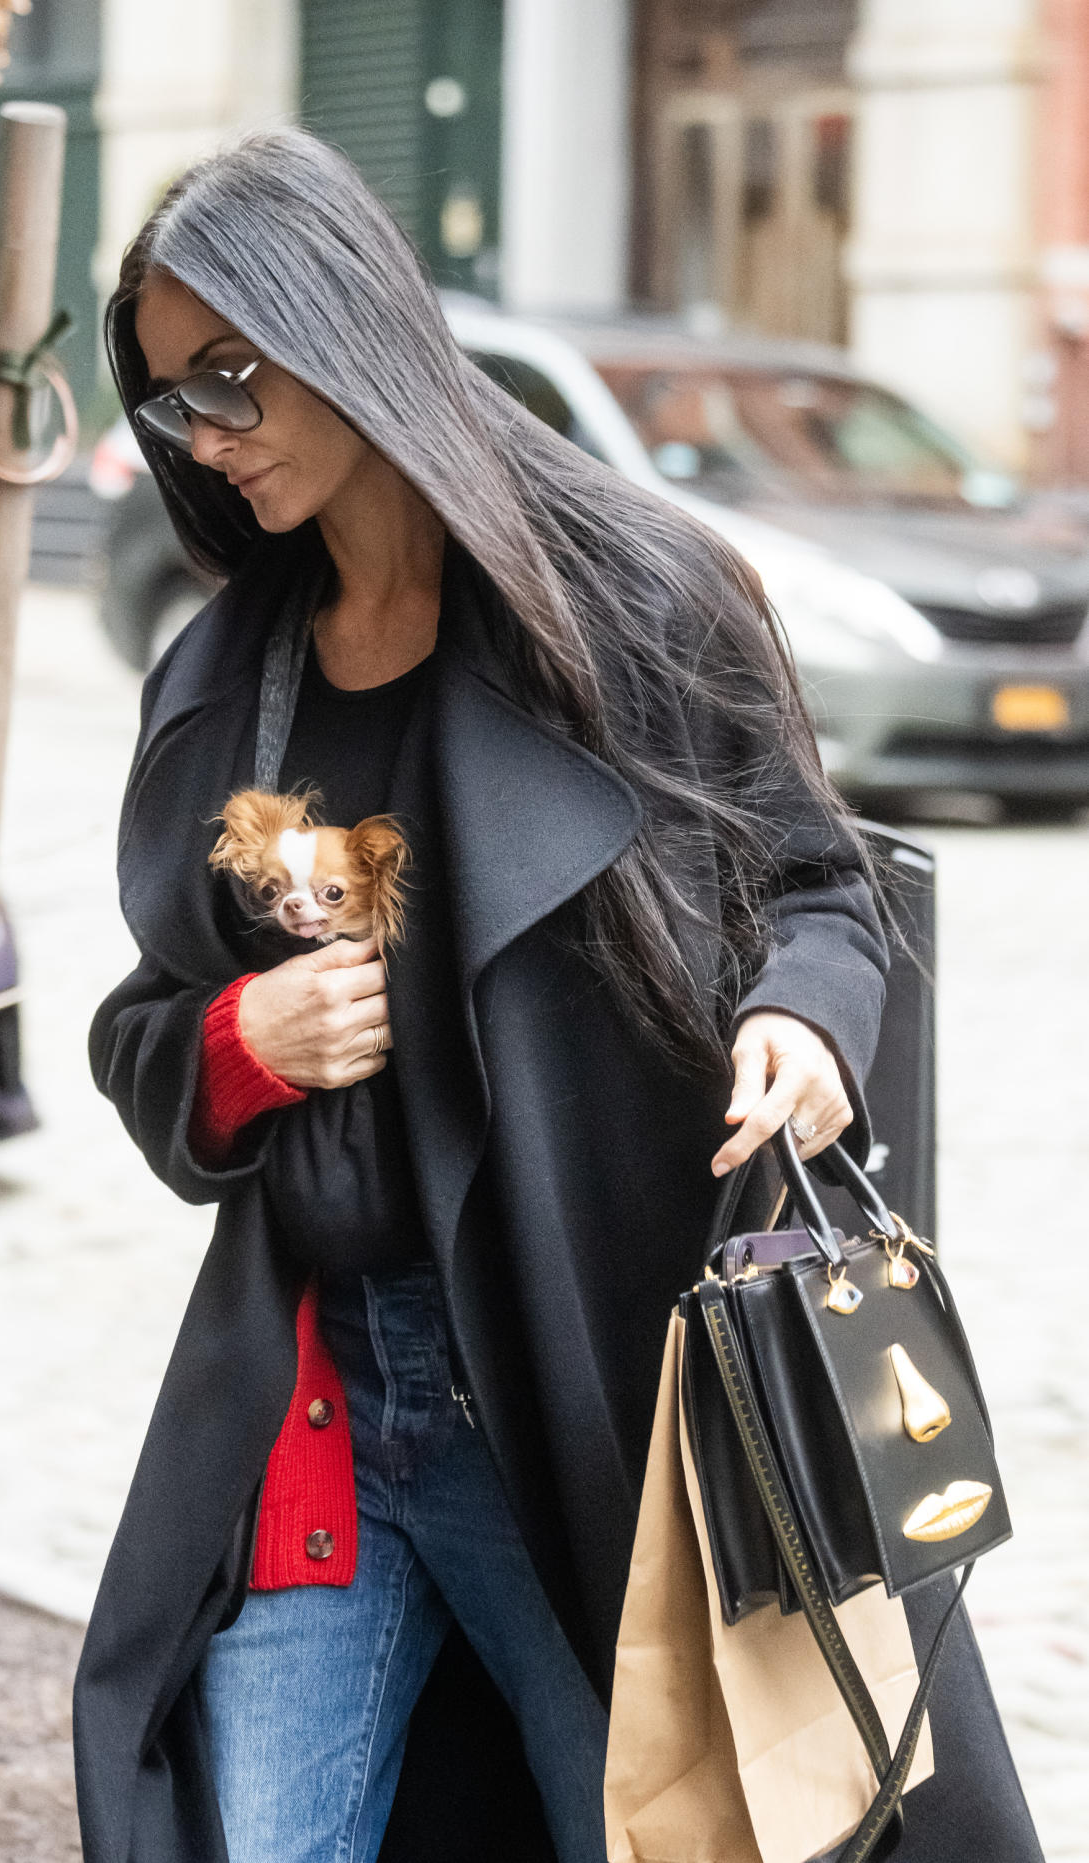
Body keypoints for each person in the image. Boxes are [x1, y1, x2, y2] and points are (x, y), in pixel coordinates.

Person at [74, 130, 1042, 1863]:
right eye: (170, 403)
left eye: (231, 378)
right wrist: (241, 1045)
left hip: (582, 1379)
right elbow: (141, 1026)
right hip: (318, 1406)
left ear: (342, 318)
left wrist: (808, 1018)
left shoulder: (631, 599)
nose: (206, 435)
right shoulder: (225, 672)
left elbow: (819, 881)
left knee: (679, 1828)